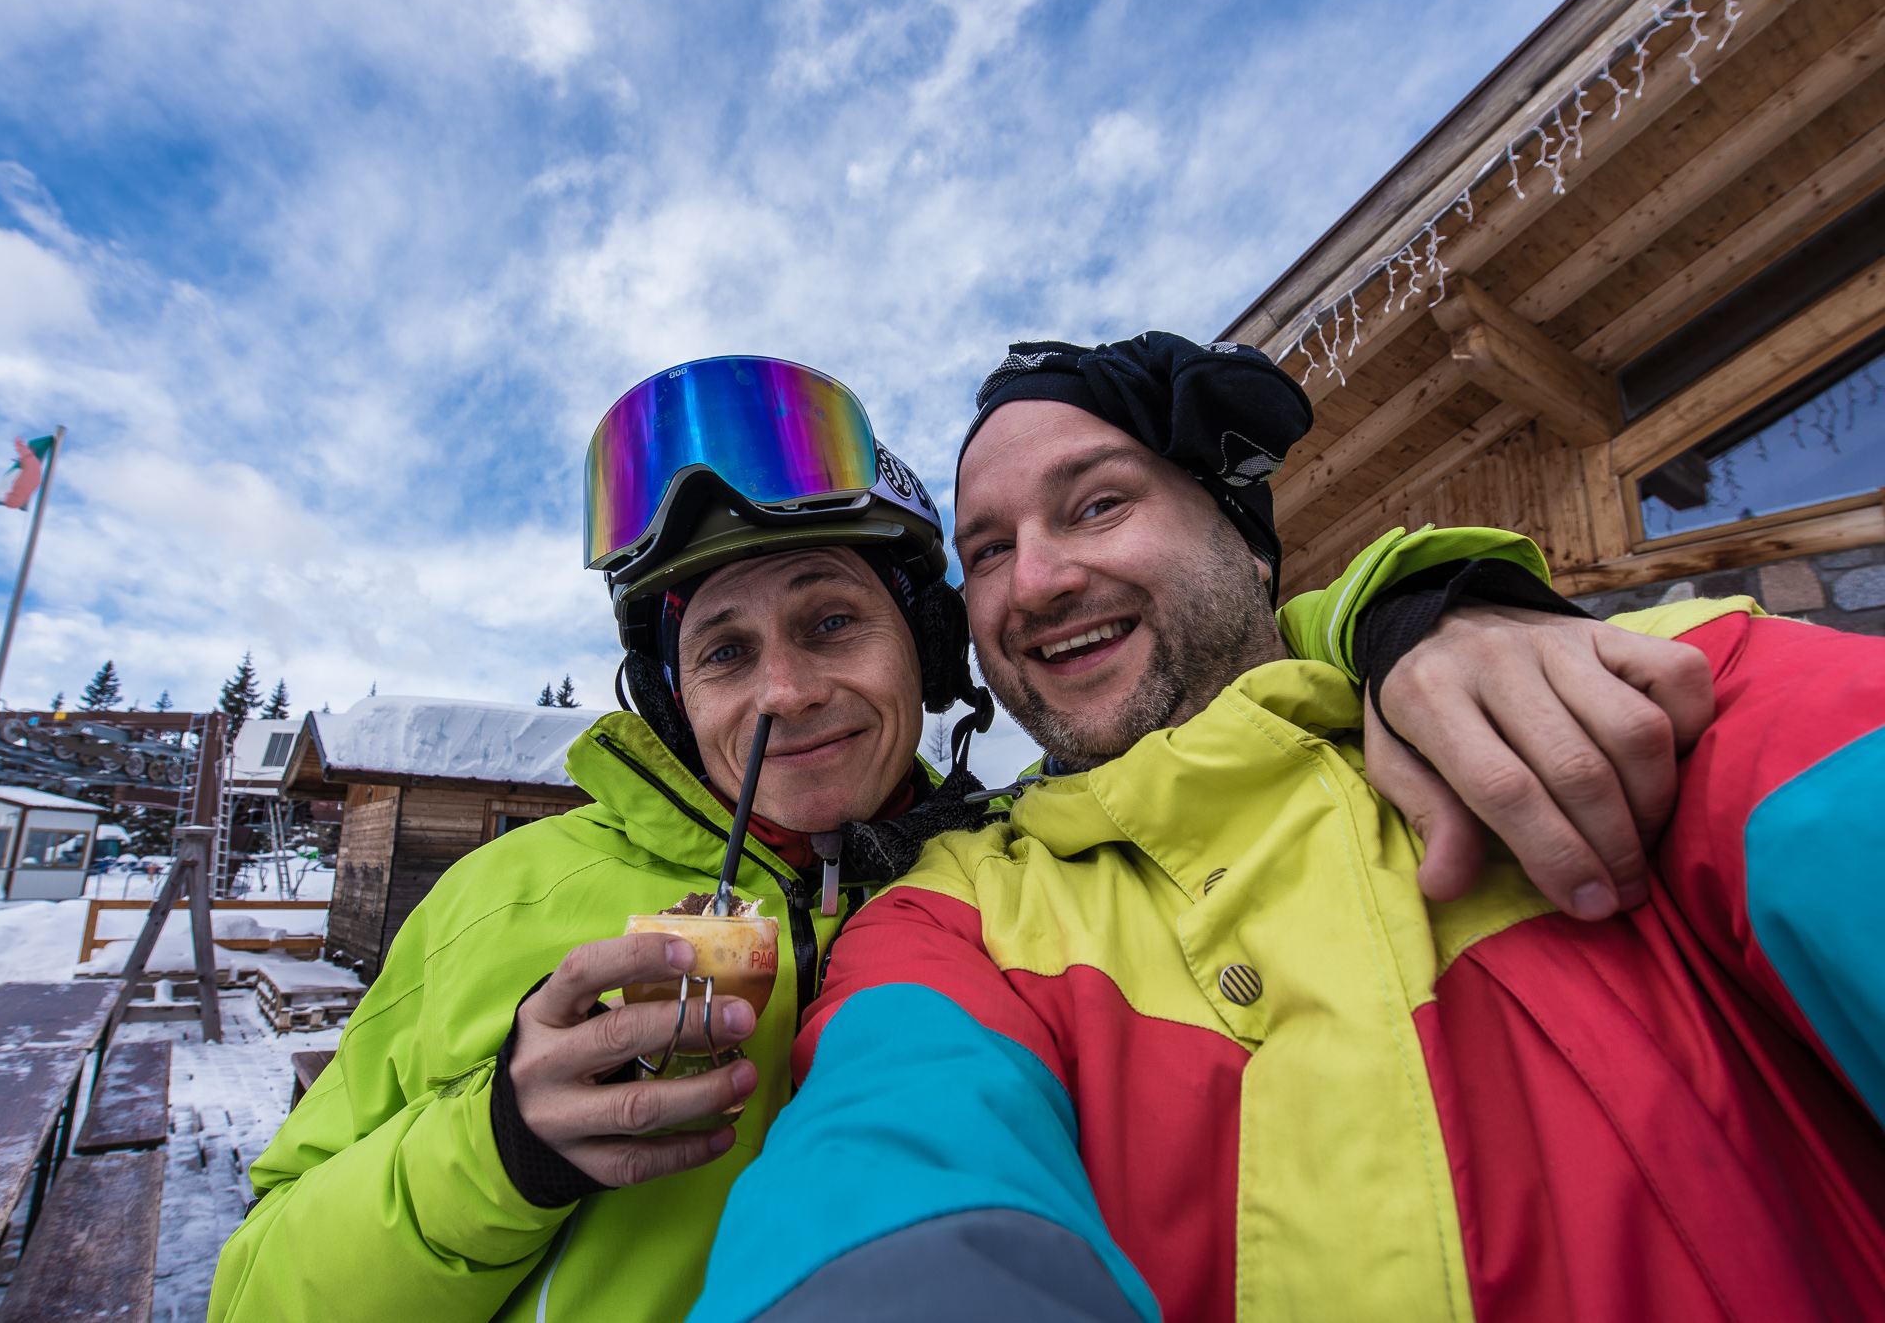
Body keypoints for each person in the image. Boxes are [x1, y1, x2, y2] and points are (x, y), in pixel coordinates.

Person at [209, 354, 1714, 1323]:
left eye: (830, 623)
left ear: (929, 655)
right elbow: (255, 1288)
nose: (784, 690)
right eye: (724, 652)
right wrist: (499, 1146)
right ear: (671, 697)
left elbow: (1207, 698)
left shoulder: (1005, 882)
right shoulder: (505, 893)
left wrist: (1408, 613)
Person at [690, 333, 1885, 1323]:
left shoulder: (1614, 690)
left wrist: (1422, 607)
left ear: (1244, 538)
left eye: (1096, 503)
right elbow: (881, 1161)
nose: (1036, 580)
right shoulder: (950, 912)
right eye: (989, 551)